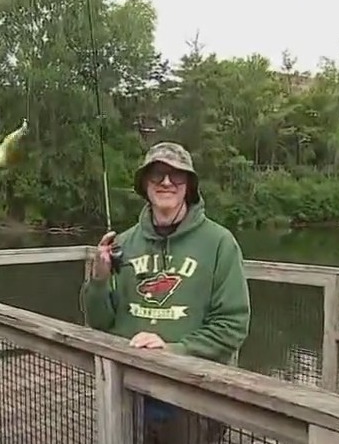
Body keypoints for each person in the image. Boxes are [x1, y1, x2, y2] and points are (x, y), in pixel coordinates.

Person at [81, 142, 251, 443]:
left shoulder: (220, 243)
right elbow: (99, 322)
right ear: (145, 184)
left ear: (190, 186)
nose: (167, 183)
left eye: (177, 176)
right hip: (130, 388)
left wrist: (173, 349)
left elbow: (232, 326)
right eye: (157, 175)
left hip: (192, 394)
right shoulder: (122, 243)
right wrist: (98, 279)